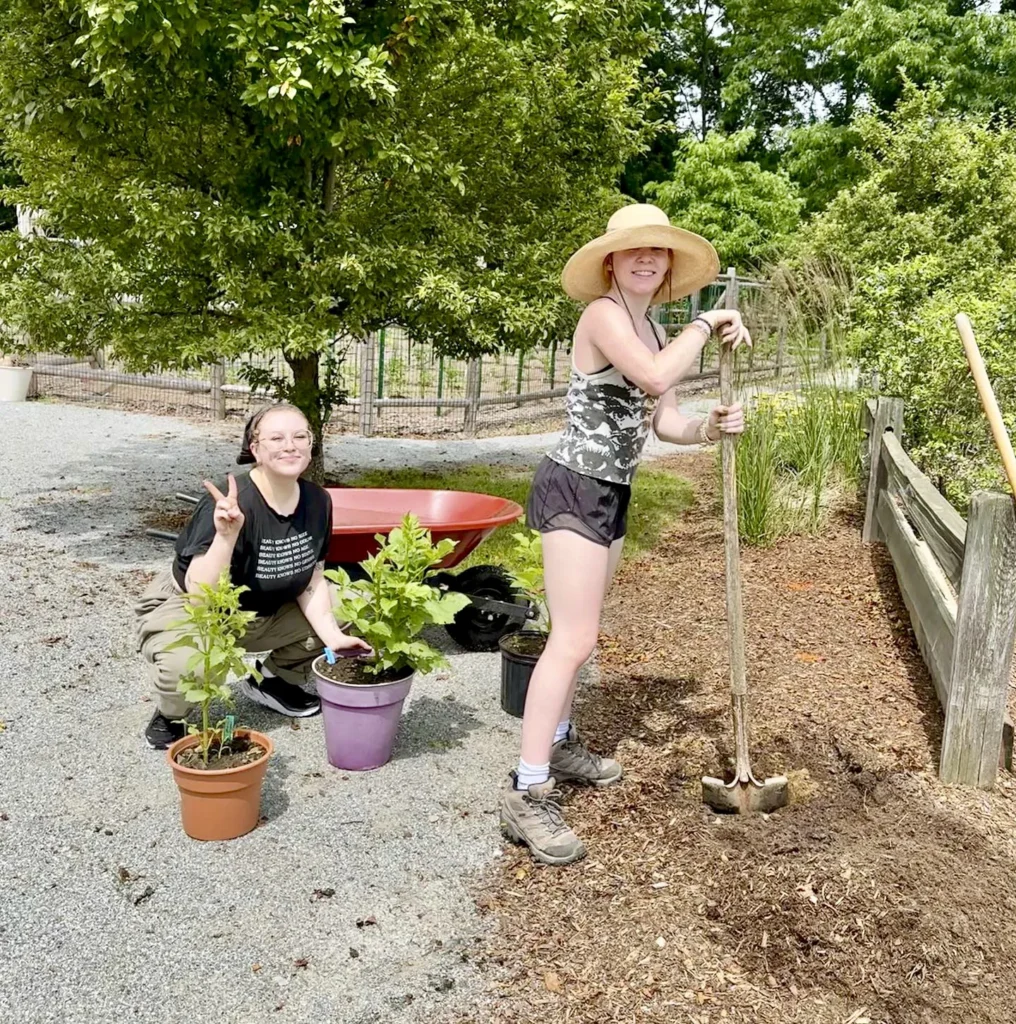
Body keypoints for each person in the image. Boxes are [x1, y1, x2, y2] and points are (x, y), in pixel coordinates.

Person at [499, 204, 751, 865]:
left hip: (610, 493)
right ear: (610, 261)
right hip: (574, 487)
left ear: (669, 267)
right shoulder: (604, 316)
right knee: (572, 638)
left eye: (659, 252)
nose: (647, 259)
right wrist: (708, 320)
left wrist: (710, 429)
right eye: (633, 250)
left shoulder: (651, 324)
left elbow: (663, 419)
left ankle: (556, 740)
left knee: (580, 639)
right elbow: (654, 377)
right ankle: (527, 791)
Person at [136, 402, 370, 749]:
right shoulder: (231, 503)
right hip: (194, 608)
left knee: (352, 604)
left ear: (311, 445)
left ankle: (273, 681)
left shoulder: (318, 501)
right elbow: (199, 595)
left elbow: (313, 579)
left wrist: (333, 637)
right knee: (190, 663)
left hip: (266, 610)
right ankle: (172, 714)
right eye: (276, 438)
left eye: (299, 436)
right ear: (255, 449)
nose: (290, 445)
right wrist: (227, 535)